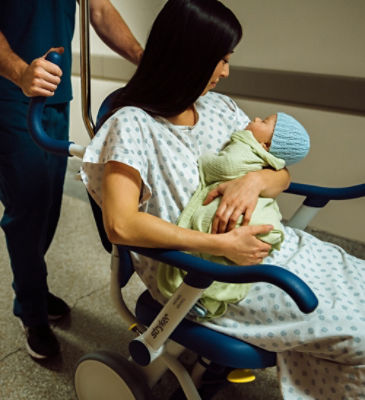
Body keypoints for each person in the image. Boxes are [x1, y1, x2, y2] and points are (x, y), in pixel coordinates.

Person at [81, 0, 365, 398]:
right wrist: (219, 244)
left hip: (262, 250)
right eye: (222, 59)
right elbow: (120, 224)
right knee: (360, 337)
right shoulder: (131, 125)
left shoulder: (218, 108)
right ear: (190, 56)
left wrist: (254, 181)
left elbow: (281, 172)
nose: (226, 70)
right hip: (203, 277)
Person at [0, 0, 143, 359]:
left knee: (48, 204)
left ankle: (30, 286)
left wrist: (146, 59)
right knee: (28, 206)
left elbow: (99, 10)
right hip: (12, 91)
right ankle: (32, 312)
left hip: (55, 92)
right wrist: (19, 72)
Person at [157, 112, 310, 320]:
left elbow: (226, 166)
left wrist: (204, 163)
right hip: (261, 222)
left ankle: (203, 296)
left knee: (221, 234)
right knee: (225, 255)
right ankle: (209, 298)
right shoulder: (261, 154)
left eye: (264, 122)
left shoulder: (246, 146)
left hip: (247, 218)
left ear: (266, 145)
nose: (255, 120)